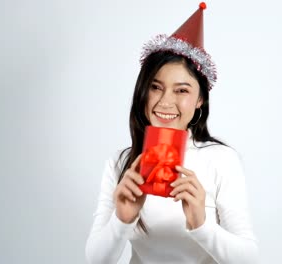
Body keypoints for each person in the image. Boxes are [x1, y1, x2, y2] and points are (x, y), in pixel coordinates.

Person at [85, 3, 258, 263]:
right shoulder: (121, 163)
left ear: (200, 99)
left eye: (182, 90)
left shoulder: (222, 159)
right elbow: (95, 260)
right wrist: (122, 221)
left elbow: (249, 258)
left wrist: (201, 225)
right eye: (156, 87)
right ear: (143, 91)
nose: (165, 102)